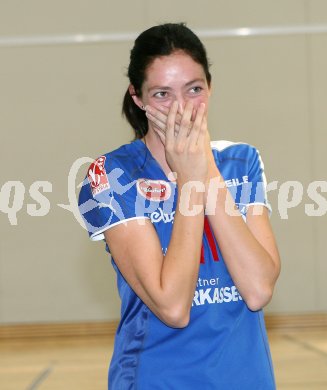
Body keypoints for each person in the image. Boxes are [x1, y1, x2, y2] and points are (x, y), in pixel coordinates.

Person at [78, 23, 281, 389]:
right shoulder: (111, 175)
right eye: (161, 94)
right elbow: (172, 306)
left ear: (210, 87)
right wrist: (189, 181)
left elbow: (258, 289)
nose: (182, 109)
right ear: (137, 98)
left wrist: (205, 170)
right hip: (160, 379)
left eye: (194, 89)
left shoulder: (242, 160)